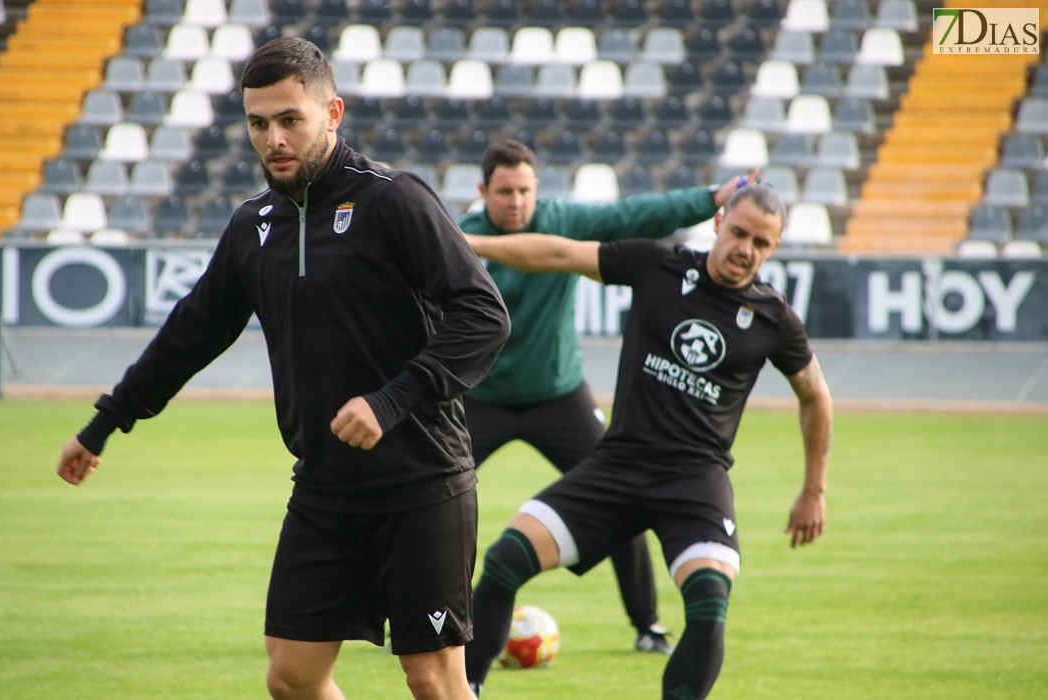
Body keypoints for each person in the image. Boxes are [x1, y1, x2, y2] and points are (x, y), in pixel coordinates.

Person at [54, 37, 511, 700]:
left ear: (333, 113)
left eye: (290, 119)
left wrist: (390, 401)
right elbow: (190, 335)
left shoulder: (394, 201)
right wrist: (105, 424)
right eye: (258, 123)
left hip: (421, 484)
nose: (273, 139)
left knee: (434, 679)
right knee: (293, 678)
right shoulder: (251, 227)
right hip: (324, 489)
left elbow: (484, 315)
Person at [460, 184, 833, 699]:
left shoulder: (774, 318)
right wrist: (474, 244)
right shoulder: (658, 266)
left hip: (696, 480)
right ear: (720, 221)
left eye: (763, 243)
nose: (746, 248)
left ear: (774, 248)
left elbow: (815, 394)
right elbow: (559, 252)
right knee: (505, 561)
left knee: (708, 607)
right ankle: (466, 691)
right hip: (618, 464)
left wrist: (814, 488)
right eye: (740, 232)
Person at [456, 139, 757, 654]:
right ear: (484, 191)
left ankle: (646, 624)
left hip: (558, 397)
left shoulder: (561, 220)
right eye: (504, 192)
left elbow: (635, 213)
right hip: (478, 398)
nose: (516, 202)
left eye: (525, 190)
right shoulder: (454, 236)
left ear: (537, 189)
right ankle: (403, 611)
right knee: (422, 494)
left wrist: (711, 198)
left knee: (622, 495)